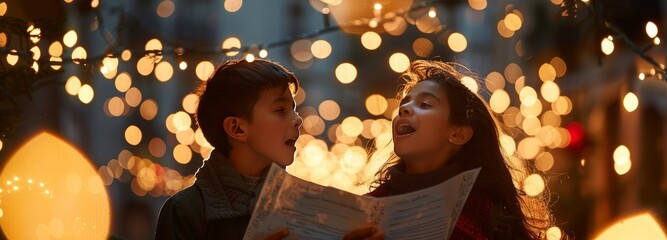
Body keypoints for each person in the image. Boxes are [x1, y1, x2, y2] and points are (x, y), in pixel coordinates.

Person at [367, 60, 556, 239]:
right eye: (403, 104)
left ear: (459, 135)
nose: (404, 109)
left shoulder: (490, 220)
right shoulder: (363, 210)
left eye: (425, 104)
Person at [155, 58, 303, 240]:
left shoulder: (302, 208)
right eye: (280, 110)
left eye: (294, 108)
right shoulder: (185, 212)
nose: (298, 119)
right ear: (237, 128)